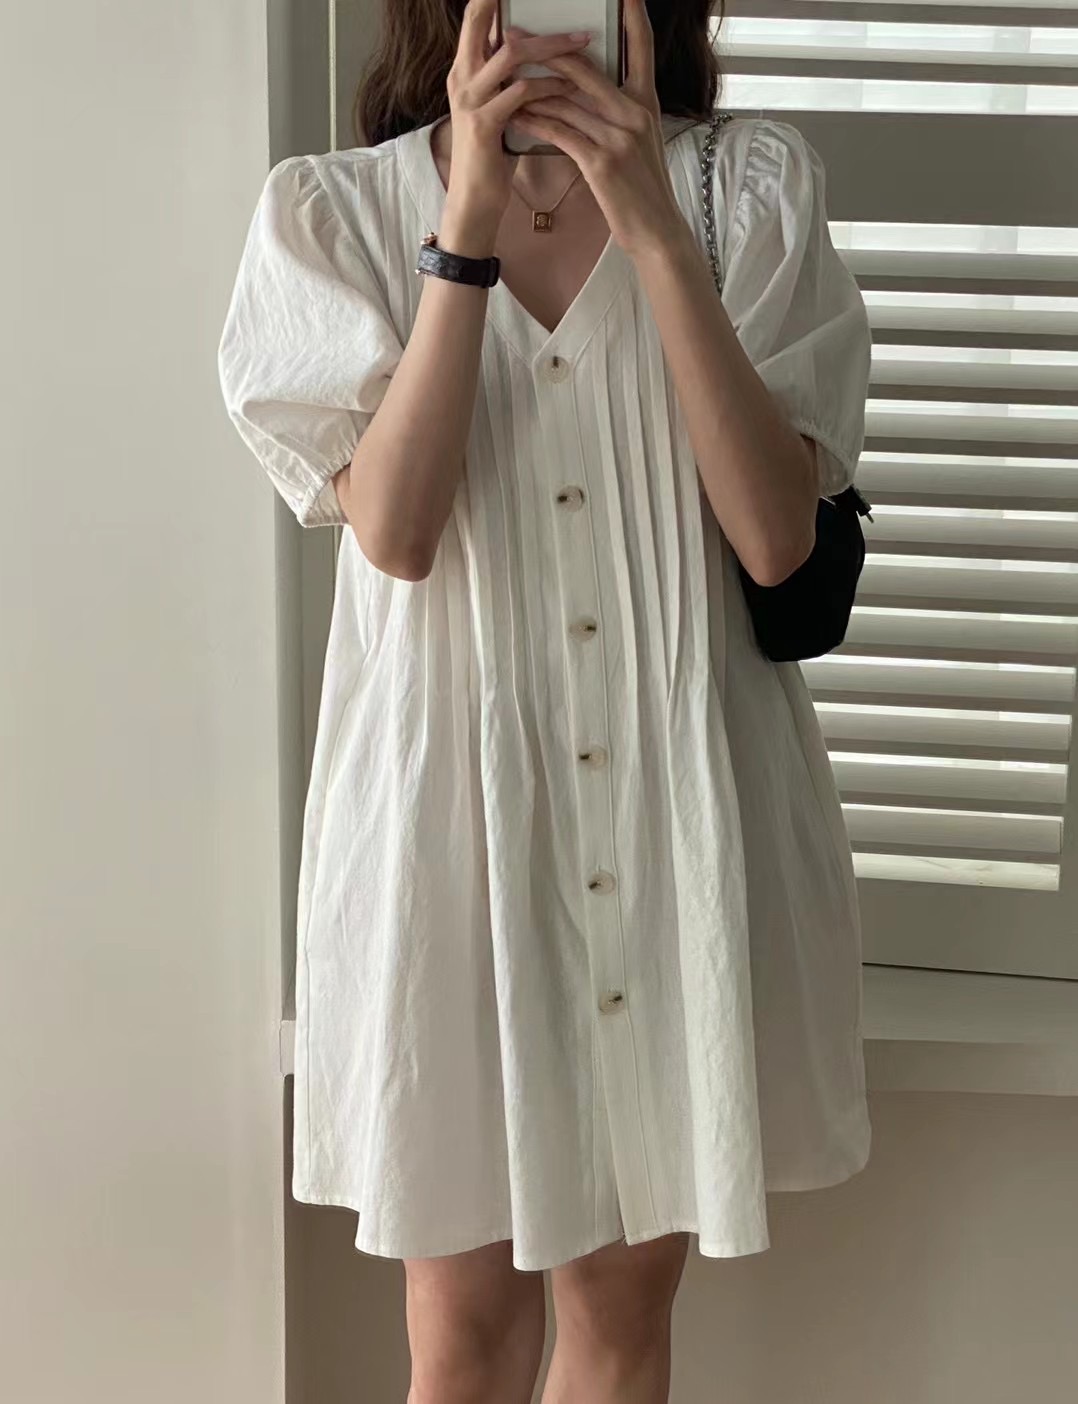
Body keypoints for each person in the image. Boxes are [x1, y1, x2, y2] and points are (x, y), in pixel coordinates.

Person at [217, 0, 873, 1398]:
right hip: (451, 831)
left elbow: (775, 537)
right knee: (457, 1337)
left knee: (621, 1323)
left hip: (675, 819)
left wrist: (654, 234)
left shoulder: (745, 189)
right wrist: (461, 224)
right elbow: (398, 533)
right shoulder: (332, 216)